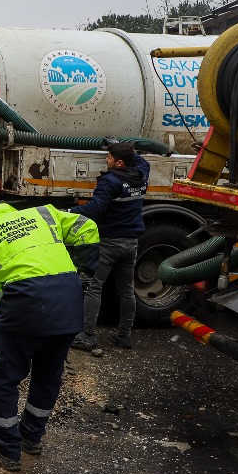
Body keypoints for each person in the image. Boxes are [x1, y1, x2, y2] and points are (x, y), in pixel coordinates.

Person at [0, 181, 99, 472]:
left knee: (4, 379)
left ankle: (7, 449)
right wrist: (83, 271)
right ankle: (31, 437)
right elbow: (88, 227)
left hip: (24, 309)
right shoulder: (43, 213)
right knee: (48, 375)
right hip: (68, 306)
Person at [68, 140, 150, 351]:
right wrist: (125, 148)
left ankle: (88, 336)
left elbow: (95, 209)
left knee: (94, 287)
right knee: (127, 290)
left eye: (110, 157)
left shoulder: (110, 182)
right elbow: (142, 162)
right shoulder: (141, 176)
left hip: (109, 242)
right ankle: (124, 336)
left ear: (120, 163)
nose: (106, 159)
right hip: (131, 243)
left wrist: (69, 213)